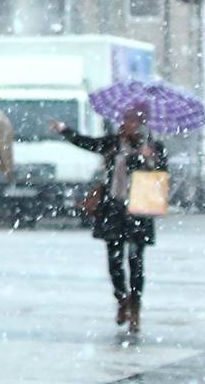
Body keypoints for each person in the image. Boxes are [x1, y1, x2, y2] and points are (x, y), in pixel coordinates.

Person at [52, 107, 167, 336]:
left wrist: (149, 159)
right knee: (114, 262)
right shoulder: (113, 143)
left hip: (138, 211)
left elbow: (162, 175)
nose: (126, 124)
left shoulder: (153, 147)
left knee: (136, 262)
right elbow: (87, 143)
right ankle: (121, 298)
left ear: (142, 124)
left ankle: (135, 308)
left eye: (132, 121)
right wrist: (64, 130)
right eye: (125, 120)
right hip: (113, 209)